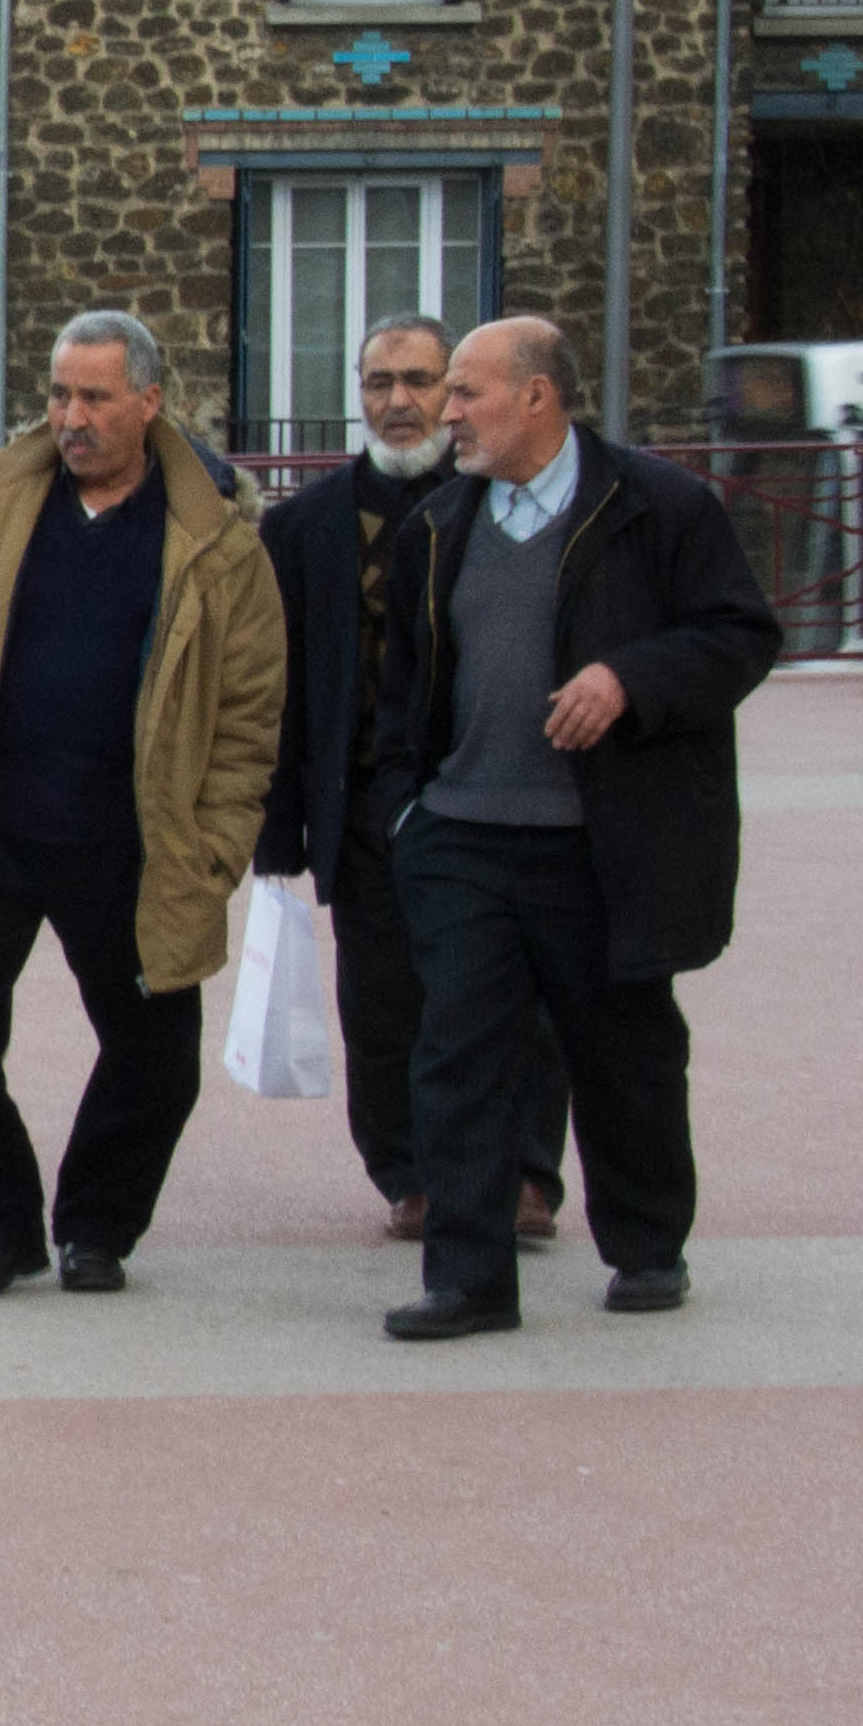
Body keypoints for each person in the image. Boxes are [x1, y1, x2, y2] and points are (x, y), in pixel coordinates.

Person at [0, 309, 283, 1297]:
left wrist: (216, 846)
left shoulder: (215, 535)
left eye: (92, 396)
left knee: (152, 1055)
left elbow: (249, 713)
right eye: (56, 394)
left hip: (136, 841)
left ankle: (96, 1226)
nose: (69, 417)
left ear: (148, 402)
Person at [370, 316, 782, 1340]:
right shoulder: (436, 521)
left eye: (464, 392)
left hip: (600, 839)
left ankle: (646, 1247)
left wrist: (627, 678)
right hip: (461, 833)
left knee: (621, 1050)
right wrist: (405, 813)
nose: (442, 412)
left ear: (537, 397)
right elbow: (406, 682)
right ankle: (466, 1278)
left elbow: (739, 634)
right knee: (455, 1054)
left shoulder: (660, 507)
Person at [253, 313, 565, 1247]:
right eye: (378, 382)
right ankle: (411, 1172)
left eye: (420, 381)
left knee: (516, 999)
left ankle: (524, 1173)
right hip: (361, 807)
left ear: (455, 392)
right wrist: (278, 832)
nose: (398, 402)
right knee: (384, 1005)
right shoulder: (303, 526)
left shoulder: (501, 505)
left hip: (487, 792)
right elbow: (282, 685)